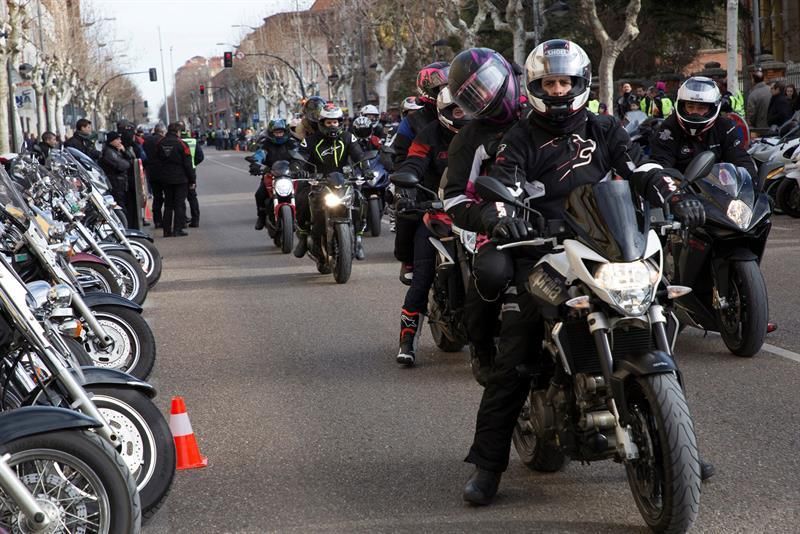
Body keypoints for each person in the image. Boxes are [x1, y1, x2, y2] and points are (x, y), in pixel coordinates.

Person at [460, 39, 708, 506]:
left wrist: (674, 192)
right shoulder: (518, 138)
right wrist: (500, 214)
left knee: (655, 322)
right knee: (516, 354)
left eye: (565, 82)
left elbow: (641, 165)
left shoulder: (604, 127)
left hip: (607, 244)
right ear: (535, 87)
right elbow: (503, 184)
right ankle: (488, 465)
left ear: (580, 83)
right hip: (542, 249)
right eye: (549, 83)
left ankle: (680, 443)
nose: (557, 91)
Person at [443, 46, 523, 384]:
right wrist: (488, 219)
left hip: (554, 216)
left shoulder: (541, 115)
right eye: (472, 95)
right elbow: (455, 196)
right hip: (496, 224)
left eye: (486, 84)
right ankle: (482, 347)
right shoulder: (468, 139)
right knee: (490, 274)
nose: (485, 96)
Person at [394, 86, 470, 365]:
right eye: (458, 110)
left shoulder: (486, 133)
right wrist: (408, 183)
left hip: (477, 214)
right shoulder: (429, 135)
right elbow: (414, 161)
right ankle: (407, 339)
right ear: (445, 112)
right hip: (438, 214)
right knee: (422, 277)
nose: (464, 115)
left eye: (469, 108)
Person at [294, 103, 366, 266]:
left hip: (344, 180)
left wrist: (365, 168)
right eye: (328, 122)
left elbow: (358, 155)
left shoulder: (348, 137)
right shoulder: (311, 140)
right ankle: (304, 237)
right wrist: (298, 168)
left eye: (335, 122)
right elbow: (300, 157)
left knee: (360, 199)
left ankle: (359, 239)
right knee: (302, 198)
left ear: (340, 122)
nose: (332, 125)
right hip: (319, 181)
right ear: (322, 123)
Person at [650, 76, 757, 179]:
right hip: (679, 190)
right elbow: (661, 164)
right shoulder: (669, 128)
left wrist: (751, 187)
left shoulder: (725, 127)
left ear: (712, 108)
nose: (694, 112)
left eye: (701, 108)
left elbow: (740, 160)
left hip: (717, 190)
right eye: (690, 106)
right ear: (682, 105)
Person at [391, 62, 450, 166]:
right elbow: (401, 159)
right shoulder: (410, 123)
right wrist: (410, 176)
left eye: (452, 85)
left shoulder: (466, 111)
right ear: (430, 90)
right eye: (445, 86)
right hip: (428, 180)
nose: (450, 91)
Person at [251, 118, 299, 231]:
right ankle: (261, 217)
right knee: (259, 194)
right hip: (271, 174)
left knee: (303, 194)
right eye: (276, 132)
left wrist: (300, 166)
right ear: (271, 133)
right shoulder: (266, 143)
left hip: (290, 174)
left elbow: (299, 155)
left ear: (285, 132)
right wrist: (256, 163)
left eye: (281, 132)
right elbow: (260, 154)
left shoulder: (291, 142)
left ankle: (303, 220)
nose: (279, 134)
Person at [151, 122, 196, 237]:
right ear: (178, 131)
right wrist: (192, 180)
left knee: (168, 205)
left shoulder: (160, 143)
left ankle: (166, 230)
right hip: (180, 179)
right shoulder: (182, 144)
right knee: (179, 204)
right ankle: (177, 229)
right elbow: (188, 164)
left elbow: (156, 161)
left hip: (165, 179)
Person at [98, 131, 133, 211]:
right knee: (120, 206)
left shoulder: (116, 150)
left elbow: (130, 159)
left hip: (121, 183)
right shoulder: (109, 152)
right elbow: (122, 165)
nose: (120, 141)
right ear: (111, 140)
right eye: (117, 139)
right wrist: (127, 162)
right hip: (115, 183)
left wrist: (124, 152)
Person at [179, 124, 204, 227]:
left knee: (180, 198)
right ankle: (195, 220)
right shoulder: (193, 141)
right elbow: (200, 156)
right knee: (192, 197)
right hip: (191, 170)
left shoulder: (177, 141)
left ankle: (183, 220)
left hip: (180, 172)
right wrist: (193, 163)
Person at [143, 124, 167, 228]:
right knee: (168, 197)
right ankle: (166, 220)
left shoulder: (147, 142)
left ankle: (158, 220)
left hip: (151, 171)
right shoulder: (163, 140)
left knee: (157, 197)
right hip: (163, 171)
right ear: (162, 131)